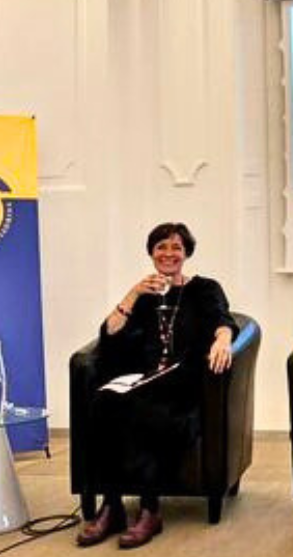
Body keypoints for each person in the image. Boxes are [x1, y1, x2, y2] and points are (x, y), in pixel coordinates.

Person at [75, 222, 238, 549]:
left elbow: (223, 320)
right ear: (151, 253)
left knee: (138, 408)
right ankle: (112, 506)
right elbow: (110, 336)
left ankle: (150, 510)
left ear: (186, 252)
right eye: (161, 247)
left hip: (183, 380)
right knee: (103, 401)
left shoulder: (204, 288)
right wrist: (133, 294)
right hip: (143, 378)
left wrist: (223, 340)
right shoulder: (145, 295)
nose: (168, 253)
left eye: (176, 247)